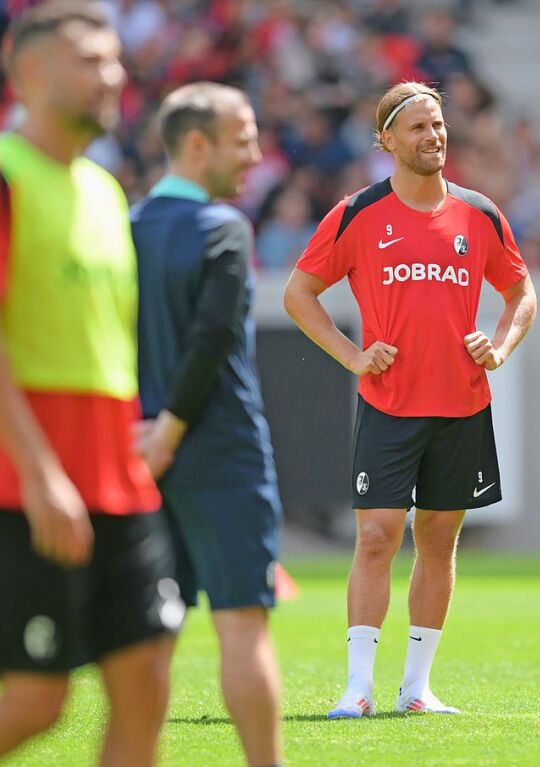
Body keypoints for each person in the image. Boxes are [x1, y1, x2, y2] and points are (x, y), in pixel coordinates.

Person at [283, 81, 536, 718]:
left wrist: (500, 347)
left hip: (462, 405)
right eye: (418, 128)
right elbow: (299, 294)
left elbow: (522, 293)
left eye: (439, 125)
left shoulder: (480, 214)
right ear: (387, 140)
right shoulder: (357, 213)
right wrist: (352, 356)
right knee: (375, 537)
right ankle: (358, 687)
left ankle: (417, 689)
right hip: (389, 404)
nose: (434, 137)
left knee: (439, 542)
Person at [0, 3, 182, 765]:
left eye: (114, 59)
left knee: (145, 677)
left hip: (119, 482)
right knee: (38, 697)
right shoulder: (8, 178)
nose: (112, 74)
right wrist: (41, 474)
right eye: (89, 60)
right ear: (29, 69)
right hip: (26, 483)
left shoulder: (108, 191)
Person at [132, 82, 284, 767]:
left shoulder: (123, 227)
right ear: (198, 145)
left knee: (149, 640)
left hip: (137, 456)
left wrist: (146, 436)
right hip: (219, 452)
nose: (255, 152)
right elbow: (214, 336)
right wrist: (172, 430)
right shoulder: (225, 227)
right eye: (243, 137)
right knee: (243, 625)